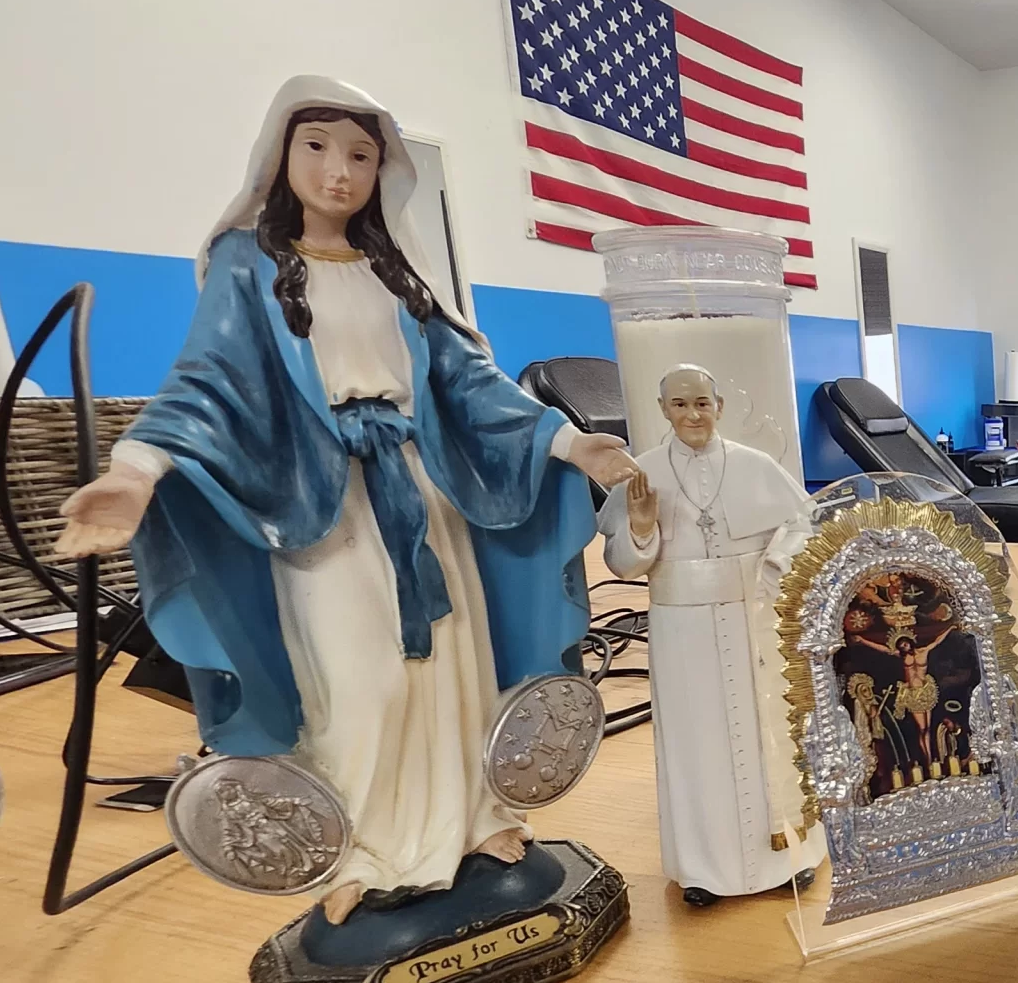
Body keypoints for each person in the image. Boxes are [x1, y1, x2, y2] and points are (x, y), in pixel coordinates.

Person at [55, 76, 640, 926]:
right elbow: (206, 379)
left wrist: (564, 439)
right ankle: (360, 846)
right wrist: (137, 470)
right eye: (318, 147)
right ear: (281, 154)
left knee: (449, 669)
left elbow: (469, 382)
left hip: (423, 495)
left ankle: (473, 820)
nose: (339, 171)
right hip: (323, 509)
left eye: (361, 154)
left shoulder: (394, 271)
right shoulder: (245, 265)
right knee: (356, 680)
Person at [600, 364, 823, 906]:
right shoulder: (643, 474)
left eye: (702, 402)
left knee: (768, 732)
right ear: (663, 410)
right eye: (679, 404)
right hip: (683, 632)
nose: (692, 414)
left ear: (719, 406)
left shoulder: (756, 467)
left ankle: (790, 855)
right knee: (695, 742)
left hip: (755, 623)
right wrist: (643, 526)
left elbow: (802, 530)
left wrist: (771, 567)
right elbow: (621, 563)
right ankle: (703, 870)